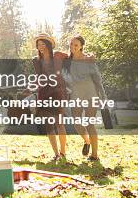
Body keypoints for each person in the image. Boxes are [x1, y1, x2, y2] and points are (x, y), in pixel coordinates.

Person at [63, 35, 105, 161]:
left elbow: (97, 78)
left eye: (76, 45)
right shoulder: (67, 61)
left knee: (89, 124)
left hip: (90, 93)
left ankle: (95, 155)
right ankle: (87, 141)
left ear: (81, 47)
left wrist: (103, 95)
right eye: (71, 44)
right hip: (76, 94)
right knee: (76, 123)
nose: (73, 47)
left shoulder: (88, 60)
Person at [30, 33, 69, 161]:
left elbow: (73, 57)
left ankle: (63, 152)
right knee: (48, 124)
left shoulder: (58, 55)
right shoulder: (35, 60)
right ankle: (56, 154)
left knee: (59, 123)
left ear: (48, 44)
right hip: (44, 94)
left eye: (43, 44)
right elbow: (38, 78)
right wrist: (31, 89)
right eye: (39, 44)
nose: (41, 46)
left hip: (57, 92)